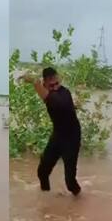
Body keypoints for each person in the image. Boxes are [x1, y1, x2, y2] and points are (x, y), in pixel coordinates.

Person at [22, 67, 82, 196]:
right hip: (58, 136)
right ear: (45, 84)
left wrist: (34, 82)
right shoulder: (47, 94)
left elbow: (56, 102)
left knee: (70, 182)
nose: (55, 87)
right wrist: (36, 83)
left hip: (72, 138)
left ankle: (80, 199)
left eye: (56, 83)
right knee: (42, 171)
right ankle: (45, 198)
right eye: (51, 85)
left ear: (59, 80)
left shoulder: (65, 93)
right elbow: (46, 97)